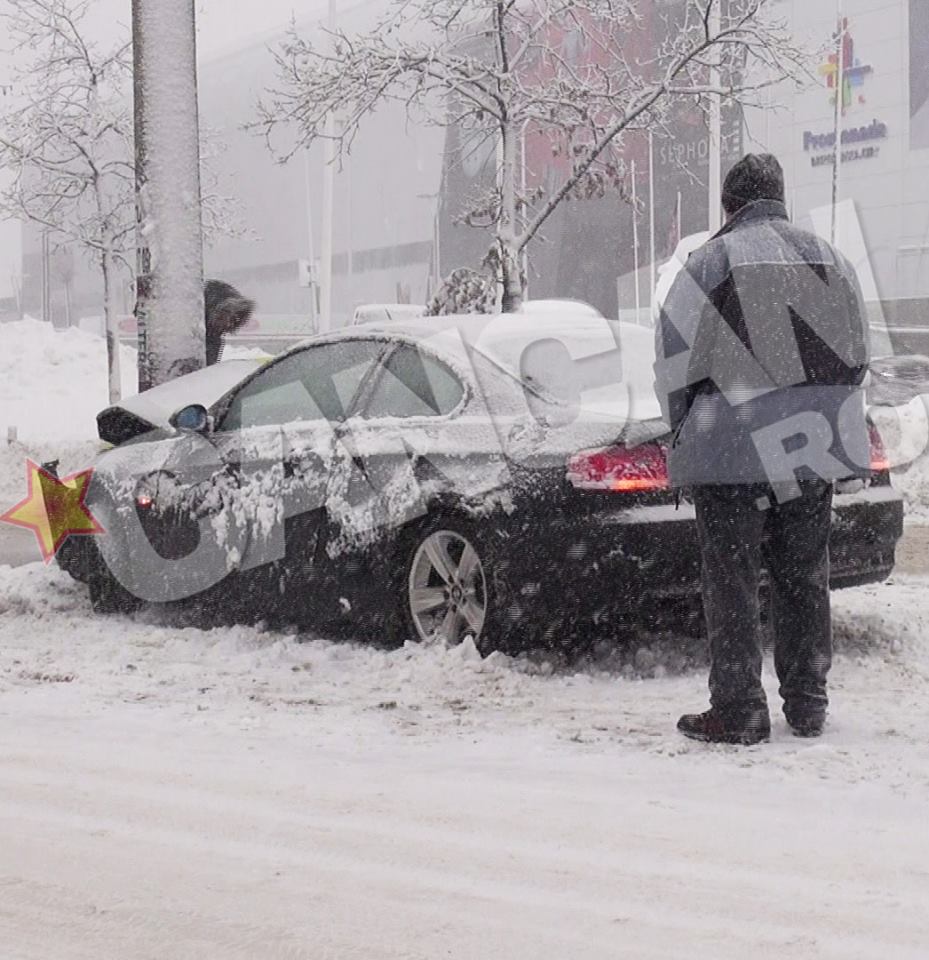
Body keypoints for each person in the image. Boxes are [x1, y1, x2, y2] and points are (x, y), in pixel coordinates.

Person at [653, 154, 871, 745]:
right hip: (810, 446)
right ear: (778, 196)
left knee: (733, 579)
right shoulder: (832, 260)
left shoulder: (709, 262)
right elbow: (856, 356)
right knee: (805, 573)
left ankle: (740, 708)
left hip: (728, 448)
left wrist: (684, 433)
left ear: (729, 205)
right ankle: (807, 701)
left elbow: (674, 361)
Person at [204, 279, 255, 365]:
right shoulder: (196, 339)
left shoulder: (214, 339)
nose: (228, 323)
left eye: (234, 319)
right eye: (224, 314)